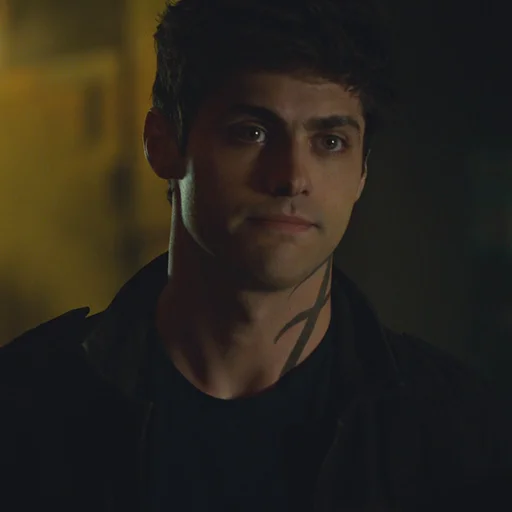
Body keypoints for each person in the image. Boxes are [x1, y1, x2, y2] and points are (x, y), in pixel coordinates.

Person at [1, 1, 511, 511]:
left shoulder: (459, 435)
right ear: (163, 144)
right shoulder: (27, 405)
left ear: (362, 173)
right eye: (252, 132)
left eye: (330, 141)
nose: (292, 177)